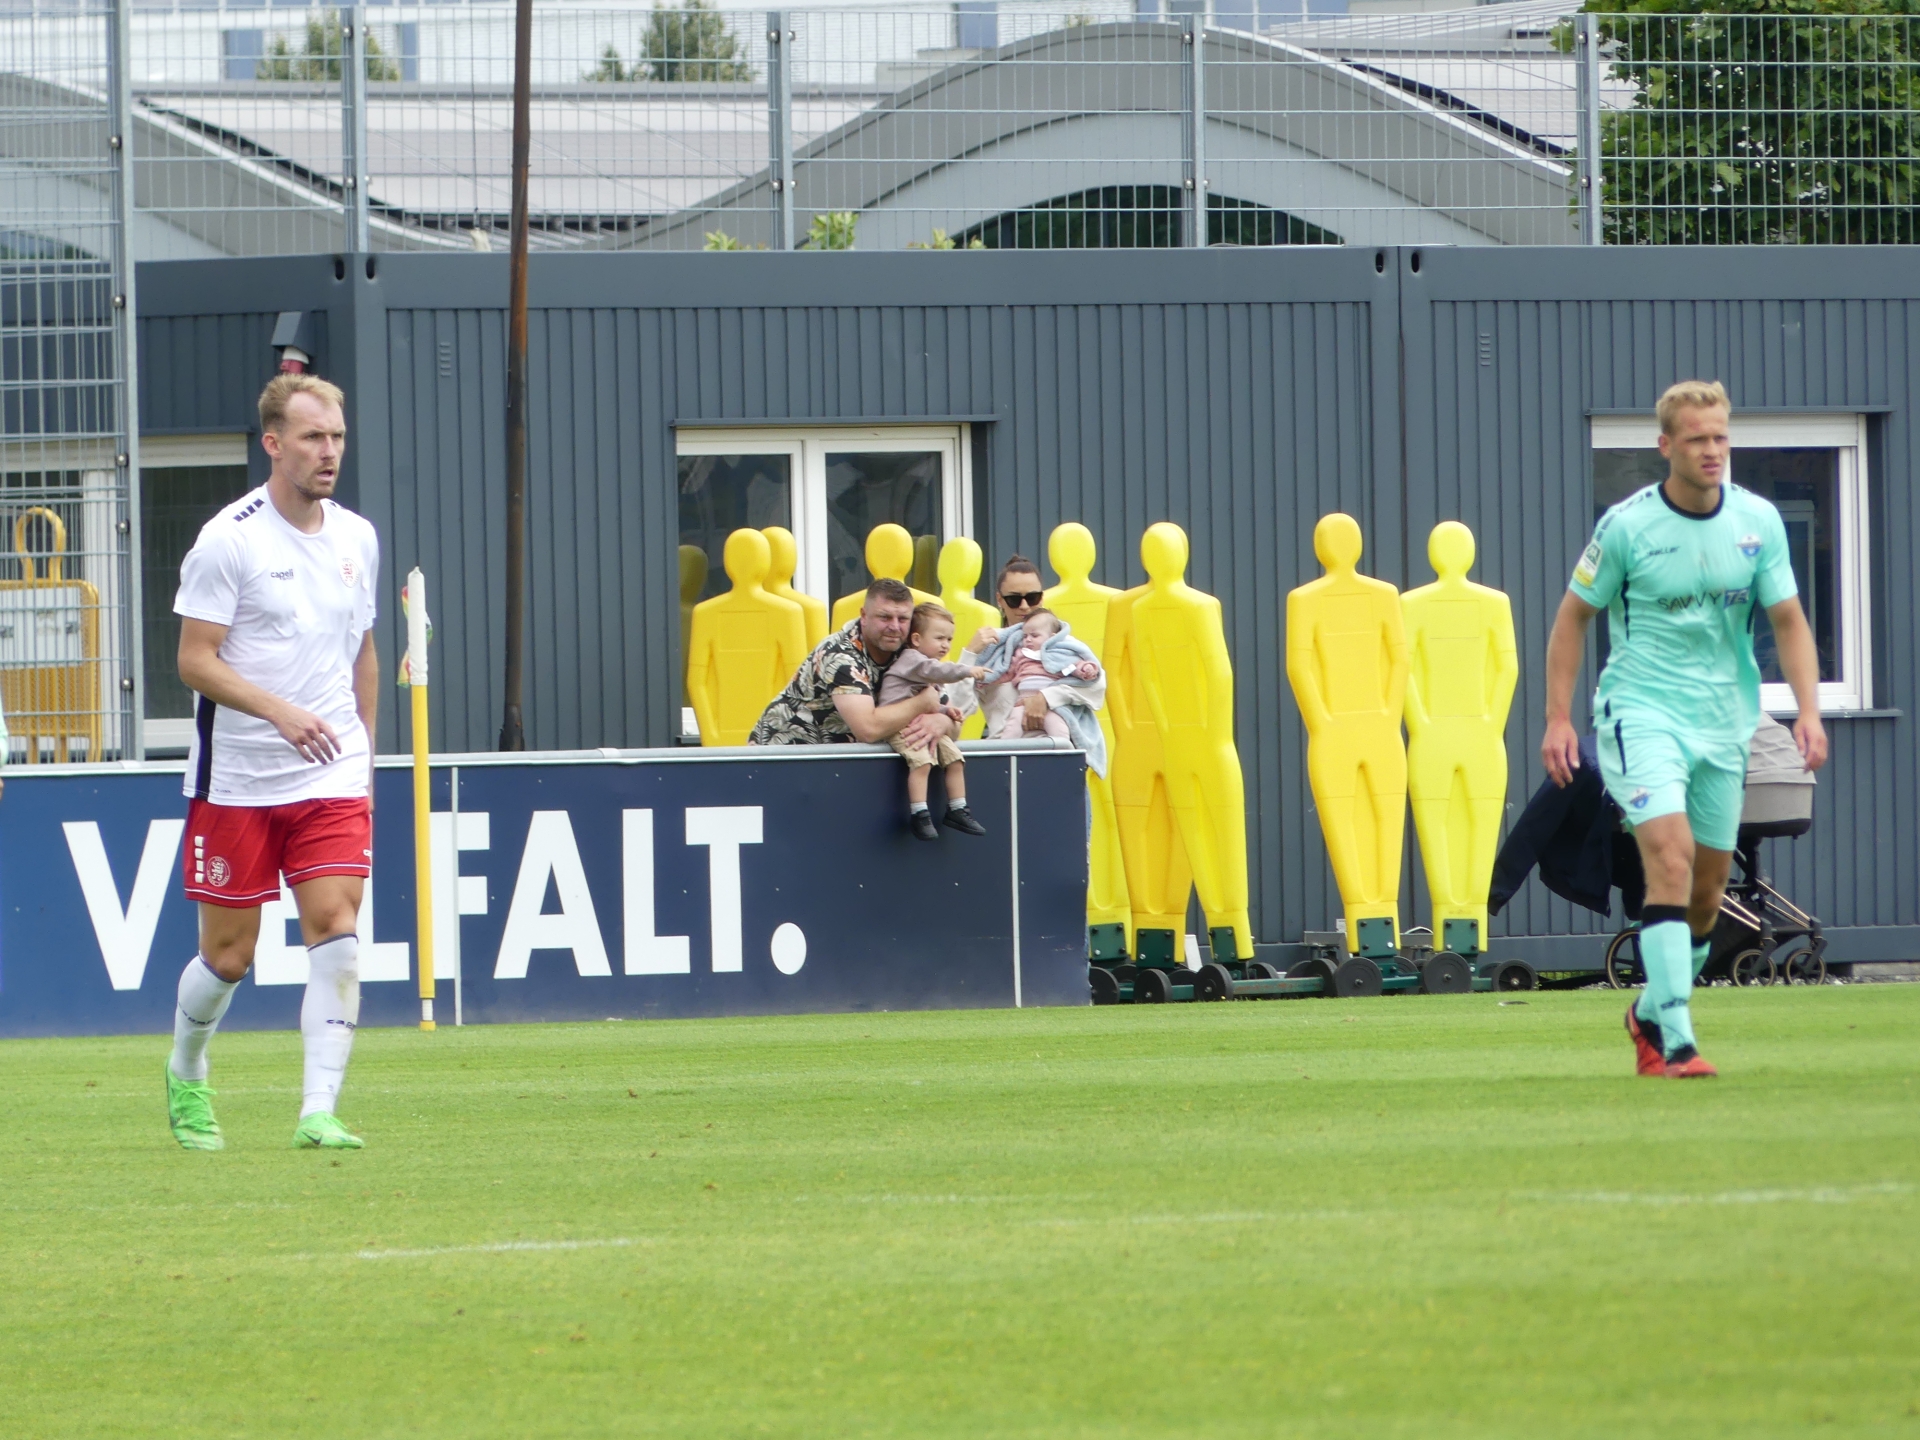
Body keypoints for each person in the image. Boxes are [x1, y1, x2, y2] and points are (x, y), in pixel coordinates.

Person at [1541, 379, 1827, 1080]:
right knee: (1668, 860)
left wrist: (1809, 710)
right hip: (1641, 714)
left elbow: (1788, 621)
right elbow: (1572, 618)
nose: (1711, 450)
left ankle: (1647, 1011)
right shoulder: (1626, 527)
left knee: (1706, 893)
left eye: (1720, 437)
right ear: (1665, 445)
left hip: (1724, 723)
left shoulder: (1757, 522)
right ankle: (1676, 1042)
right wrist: (1557, 719)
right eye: (1697, 439)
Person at [163, 373, 381, 1152]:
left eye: (338, 437)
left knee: (337, 931)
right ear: (274, 443)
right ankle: (187, 1071)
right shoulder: (230, 540)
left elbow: (362, 655)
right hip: (238, 780)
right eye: (314, 437)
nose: (330, 452)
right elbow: (194, 660)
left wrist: (365, 762)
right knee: (230, 956)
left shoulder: (358, 538)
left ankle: (318, 1111)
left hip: (331, 775)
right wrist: (279, 712)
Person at [748, 577, 961, 758]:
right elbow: (868, 729)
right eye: (885, 617)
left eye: (903, 619)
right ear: (864, 616)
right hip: (779, 758)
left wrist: (942, 721)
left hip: (837, 763)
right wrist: (922, 704)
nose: (895, 627)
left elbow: (954, 719)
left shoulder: (910, 649)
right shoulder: (839, 654)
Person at [873, 603, 990, 841]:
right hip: (900, 725)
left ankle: (958, 808)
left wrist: (947, 710)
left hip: (921, 722)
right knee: (922, 762)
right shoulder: (914, 660)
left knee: (955, 759)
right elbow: (937, 671)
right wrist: (967, 670)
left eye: (949, 639)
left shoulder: (927, 671)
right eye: (939, 638)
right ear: (916, 639)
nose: (945, 645)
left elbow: (930, 702)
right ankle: (919, 813)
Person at [960, 554, 1106, 741]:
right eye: (1014, 599)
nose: (1024, 606)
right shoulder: (991, 651)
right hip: (1006, 751)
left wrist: (1046, 697)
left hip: (1059, 748)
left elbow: (1097, 686)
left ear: (1042, 598)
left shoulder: (1063, 643)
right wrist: (969, 654)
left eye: (1032, 598)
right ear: (999, 600)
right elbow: (957, 707)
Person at [976, 609, 1103, 750]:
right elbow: (1007, 671)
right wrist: (988, 679)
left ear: (1051, 637)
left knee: (1060, 730)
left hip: (1053, 707)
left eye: (1034, 635)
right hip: (1022, 702)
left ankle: (1064, 756)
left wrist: (1087, 669)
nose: (1028, 639)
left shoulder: (1061, 652)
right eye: (1025, 636)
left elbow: (1074, 666)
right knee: (1011, 729)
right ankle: (1003, 753)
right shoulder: (1021, 654)